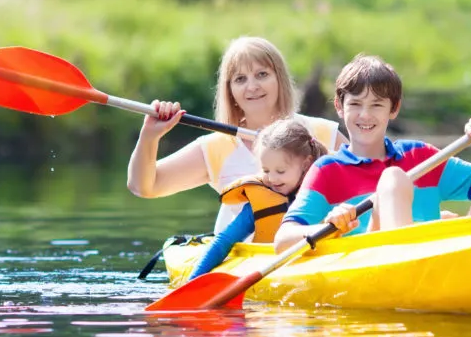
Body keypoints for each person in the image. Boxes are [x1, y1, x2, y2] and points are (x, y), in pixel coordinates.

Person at [274, 54, 471, 253]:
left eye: (376, 105)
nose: (365, 115)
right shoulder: (327, 170)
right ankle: (407, 262)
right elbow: (282, 240)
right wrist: (329, 226)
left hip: (439, 264)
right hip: (379, 266)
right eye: (355, 104)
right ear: (339, 106)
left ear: (394, 108)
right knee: (394, 179)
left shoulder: (420, 156)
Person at [126, 37, 347, 234]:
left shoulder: (322, 133)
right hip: (243, 260)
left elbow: (372, 175)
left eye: (262, 74)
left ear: (279, 79)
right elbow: (143, 186)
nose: (252, 86)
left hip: (316, 249)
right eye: (240, 79)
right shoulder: (216, 147)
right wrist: (149, 136)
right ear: (229, 90)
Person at [187, 118, 328, 279]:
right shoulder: (259, 202)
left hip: (321, 262)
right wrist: (193, 280)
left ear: (306, 163)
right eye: (266, 170)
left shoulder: (325, 192)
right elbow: (225, 240)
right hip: (273, 269)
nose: (272, 179)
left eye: (280, 171)